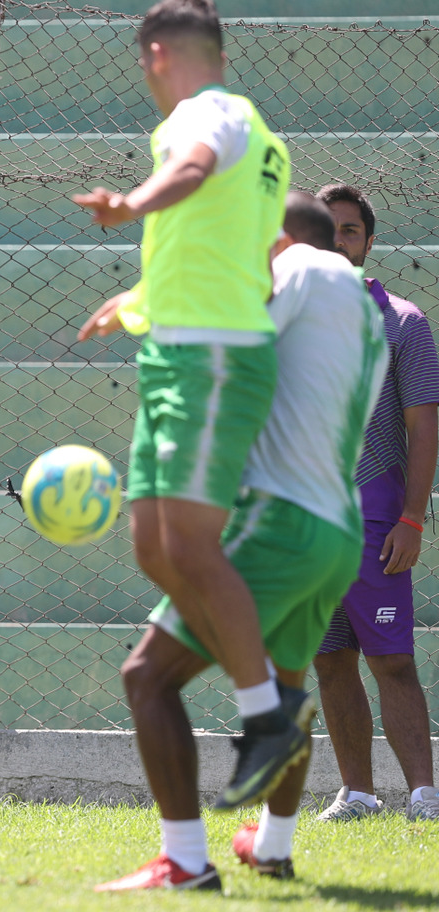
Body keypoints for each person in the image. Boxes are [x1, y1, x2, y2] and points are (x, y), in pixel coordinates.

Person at [97, 193, 389, 891]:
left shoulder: (303, 271)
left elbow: (226, 338)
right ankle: (274, 846)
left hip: (281, 523)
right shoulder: (368, 319)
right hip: (334, 530)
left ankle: (185, 861)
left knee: (148, 678)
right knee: (289, 687)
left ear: (279, 239)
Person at [72, 0, 297, 809]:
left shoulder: (214, 115)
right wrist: (137, 300)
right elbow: (242, 258)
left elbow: (193, 171)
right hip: (176, 352)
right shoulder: (263, 146)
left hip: (212, 360)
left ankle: (268, 713)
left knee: (194, 550)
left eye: (144, 66)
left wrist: (129, 204)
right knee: (155, 548)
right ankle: (262, 688)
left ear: (159, 53)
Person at [313, 183, 439, 822]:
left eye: (350, 231)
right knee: (330, 658)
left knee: (392, 659)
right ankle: (356, 793)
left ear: (367, 243)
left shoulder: (404, 322)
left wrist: (413, 517)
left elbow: (423, 429)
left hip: (375, 517)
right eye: (326, 229)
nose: (337, 241)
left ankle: (424, 796)